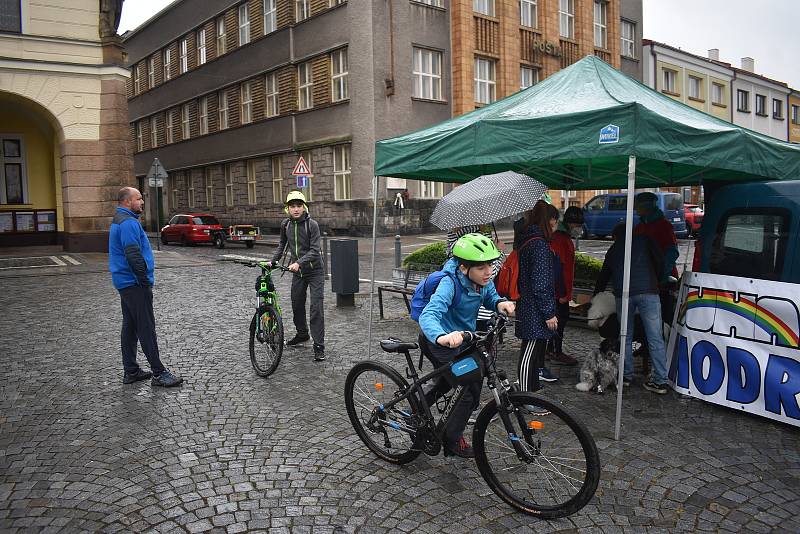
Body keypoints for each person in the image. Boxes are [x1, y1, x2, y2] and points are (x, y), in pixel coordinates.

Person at [418, 233, 516, 458]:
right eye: (481, 267)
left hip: (465, 339)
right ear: (463, 268)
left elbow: (491, 296)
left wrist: (501, 303)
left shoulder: (482, 281)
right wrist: (443, 336)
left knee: (451, 382)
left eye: (490, 265)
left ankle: (418, 403)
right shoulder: (449, 283)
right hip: (440, 342)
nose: (489, 271)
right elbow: (429, 314)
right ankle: (451, 440)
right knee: (469, 390)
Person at [109, 187, 183, 387]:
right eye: (139, 198)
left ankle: (131, 371)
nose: (142, 202)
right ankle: (159, 373)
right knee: (146, 327)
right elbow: (133, 254)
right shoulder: (128, 223)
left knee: (130, 327)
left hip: (125, 282)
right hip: (134, 284)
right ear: (126, 202)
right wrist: (143, 280)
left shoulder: (120, 219)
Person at [594, 223, 669, 394]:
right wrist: (657, 280)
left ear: (615, 237)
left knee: (625, 336)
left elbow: (604, 275)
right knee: (655, 336)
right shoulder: (646, 240)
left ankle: (626, 377)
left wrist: (595, 296)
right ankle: (660, 381)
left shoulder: (613, 249)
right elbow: (660, 261)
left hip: (623, 295)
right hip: (648, 292)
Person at [269, 190, 326, 361]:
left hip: (315, 271)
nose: (296, 209)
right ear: (287, 208)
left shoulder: (312, 225)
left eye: (299, 206)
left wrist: (298, 262)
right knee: (297, 305)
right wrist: (273, 261)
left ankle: (319, 345)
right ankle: (302, 334)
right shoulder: (285, 225)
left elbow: (315, 251)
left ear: (304, 207)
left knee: (316, 308)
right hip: (298, 273)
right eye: (292, 206)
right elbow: (282, 245)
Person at [515, 201, 560, 390]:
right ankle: (525, 394)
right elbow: (540, 284)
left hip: (527, 304)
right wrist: (549, 313)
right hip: (534, 307)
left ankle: (532, 387)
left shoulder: (527, 239)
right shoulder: (539, 245)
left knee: (532, 350)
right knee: (529, 351)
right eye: (556, 220)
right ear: (549, 221)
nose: (557, 225)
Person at [546, 206, 584, 366]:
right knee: (559, 321)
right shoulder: (560, 239)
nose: (579, 229)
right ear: (571, 223)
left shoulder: (563, 237)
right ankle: (555, 350)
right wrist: (562, 293)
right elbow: (558, 268)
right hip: (558, 292)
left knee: (560, 320)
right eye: (577, 226)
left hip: (560, 290)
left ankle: (552, 349)